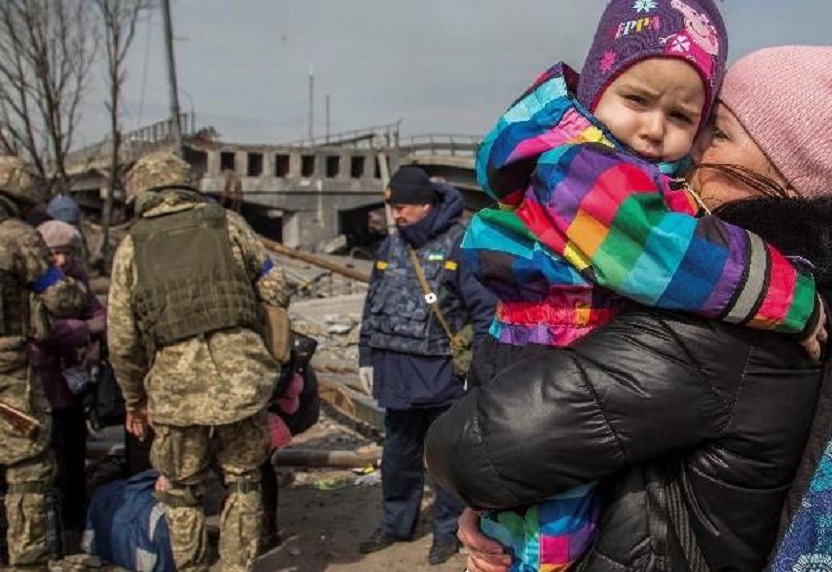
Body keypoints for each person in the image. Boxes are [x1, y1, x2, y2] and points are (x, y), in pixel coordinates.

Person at [425, 44, 832, 572]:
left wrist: (497, 510)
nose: (689, 146)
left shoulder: (734, 320)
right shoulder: (792, 289)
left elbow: (470, 451)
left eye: (717, 130)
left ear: (787, 173)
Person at [107, 151, 291, 572]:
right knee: (244, 480)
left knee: (180, 488)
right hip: (241, 379)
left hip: (176, 389)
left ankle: (190, 566)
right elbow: (276, 287)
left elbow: (122, 339)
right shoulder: (227, 223)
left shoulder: (132, 246)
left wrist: (135, 400)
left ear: (141, 193)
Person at [357, 166, 497, 565]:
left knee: (445, 461)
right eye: (393, 208)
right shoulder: (389, 247)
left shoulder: (459, 245)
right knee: (398, 455)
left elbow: (485, 313)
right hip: (395, 373)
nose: (396, 215)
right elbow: (372, 306)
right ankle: (395, 523)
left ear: (425, 204)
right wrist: (366, 357)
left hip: (442, 376)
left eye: (402, 207)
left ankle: (446, 532)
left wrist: (479, 371)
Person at [0, 155, 88, 571]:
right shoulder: (18, 236)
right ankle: (27, 559)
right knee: (27, 466)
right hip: (7, 369)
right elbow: (61, 298)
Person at [31, 220, 106, 546]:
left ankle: (73, 524)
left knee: (72, 457)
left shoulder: (77, 280)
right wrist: (86, 329)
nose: (60, 260)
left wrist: (91, 336)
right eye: (53, 253)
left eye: (65, 252)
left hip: (71, 383)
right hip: (41, 383)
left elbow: (102, 314)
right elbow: (43, 330)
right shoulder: (34, 281)